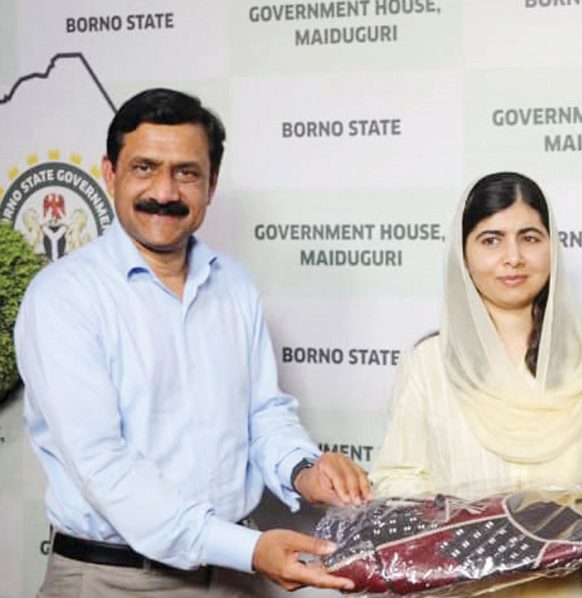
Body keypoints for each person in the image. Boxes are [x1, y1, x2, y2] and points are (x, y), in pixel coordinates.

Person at [15, 88, 371, 597]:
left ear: (211, 183)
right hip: (113, 581)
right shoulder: (64, 297)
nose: (164, 192)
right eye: (144, 168)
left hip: (233, 578)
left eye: (186, 173)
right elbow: (105, 465)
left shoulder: (234, 285)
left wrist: (304, 470)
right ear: (110, 174)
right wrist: (246, 549)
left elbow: (263, 415)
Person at [370, 172, 582, 597]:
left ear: (552, 247)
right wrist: (474, 529)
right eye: (491, 240)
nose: (513, 257)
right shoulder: (429, 363)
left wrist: (567, 529)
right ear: (463, 255)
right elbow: (397, 482)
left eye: (530, 238)